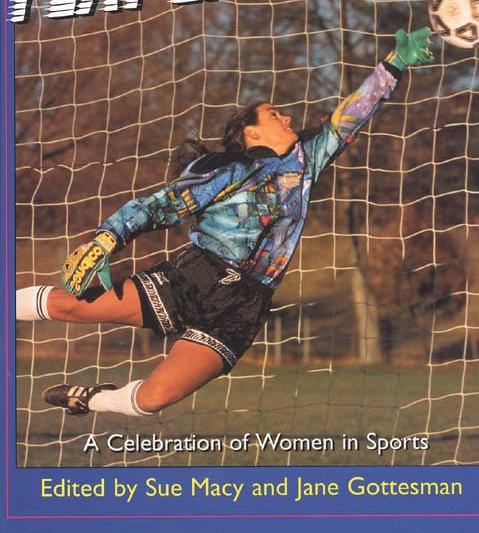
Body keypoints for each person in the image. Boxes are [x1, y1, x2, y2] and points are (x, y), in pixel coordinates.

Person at [16, 28, 434, 418]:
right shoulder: (224, 170)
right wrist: (108, 237)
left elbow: (351, 115)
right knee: (69, 305)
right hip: (191, 279)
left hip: (245, 305)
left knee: (154, 398)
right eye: (274, 114)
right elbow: (160, 205)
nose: (288, 119)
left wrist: (394, 64)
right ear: (251, 133)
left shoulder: (307, 159)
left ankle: (94, 398)